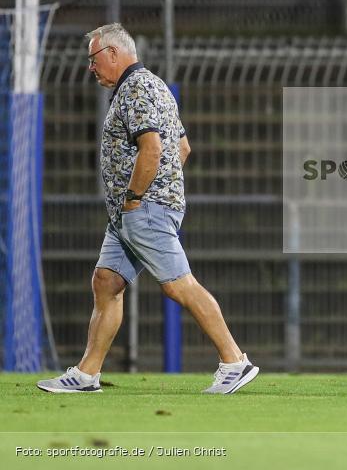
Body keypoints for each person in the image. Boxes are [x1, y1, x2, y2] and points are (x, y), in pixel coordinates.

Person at [37, 23, 258, 395]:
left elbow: (152, 148)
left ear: (112, 53)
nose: (90, 67)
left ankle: (235, 360)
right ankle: (87, 373)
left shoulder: (135, 89)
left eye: (92, 59)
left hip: (142, 208)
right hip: (132, 213)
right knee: (106, 282)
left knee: (179, 285)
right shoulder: (155, 86)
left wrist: (137, 196)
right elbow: (182, 149)